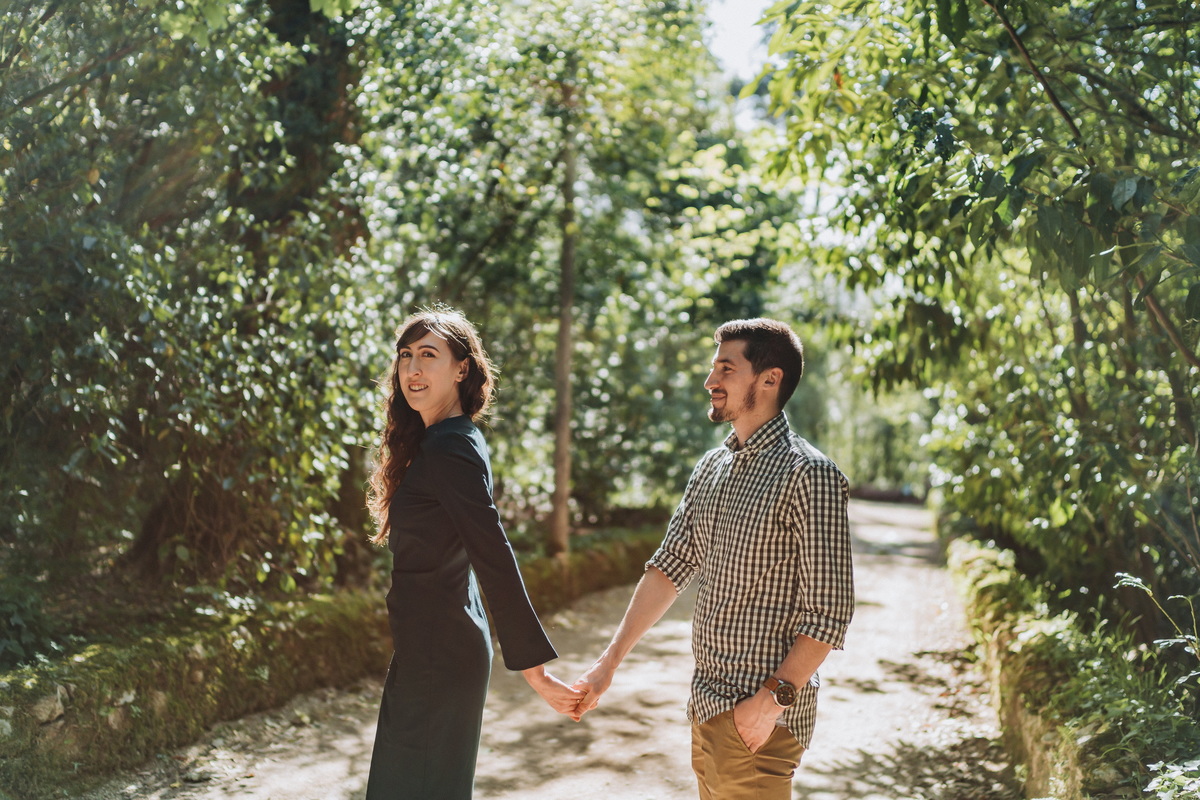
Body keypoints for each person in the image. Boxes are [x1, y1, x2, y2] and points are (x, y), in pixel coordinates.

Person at [571, 318, 855, 800]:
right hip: (706, 709)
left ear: (770, 379)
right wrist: (608, 663)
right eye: (713, 367)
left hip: (759, 721)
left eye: (726, 368)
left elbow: (829, 611)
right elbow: (669, 567)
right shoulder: (712, 467)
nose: (710, 381)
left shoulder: (810, 474)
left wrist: (769, 703)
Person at [364, 308, 581, 800]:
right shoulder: (445, 440)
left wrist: (533, 668)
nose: (412, 369)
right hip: (429, 648)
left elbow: (492, 552)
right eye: (405, 356)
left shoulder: (451, 447)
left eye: (428, 355)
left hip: (439, 654)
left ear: (461, 368)